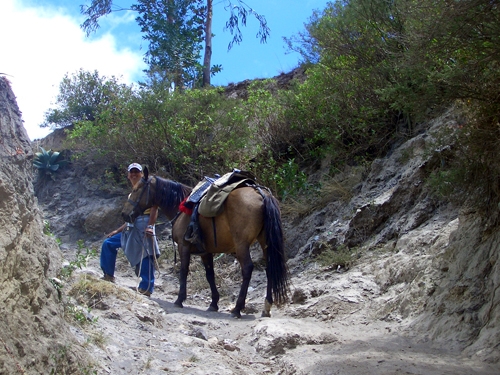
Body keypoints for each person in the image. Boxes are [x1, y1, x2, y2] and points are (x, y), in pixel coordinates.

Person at [100, 162, 160, 297]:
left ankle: (146, 287)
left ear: (142, 174)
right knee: (109, 243)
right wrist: (117, 231)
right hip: (131, 225)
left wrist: (150, 226)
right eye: (131, 172)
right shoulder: (132, 194)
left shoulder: (149, 189)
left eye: (136, 172)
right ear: (128, 175)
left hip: (145, 223)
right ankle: (108, 275)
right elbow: (131, 217)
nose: (134, 175)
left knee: (146, 253)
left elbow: (154, 209)